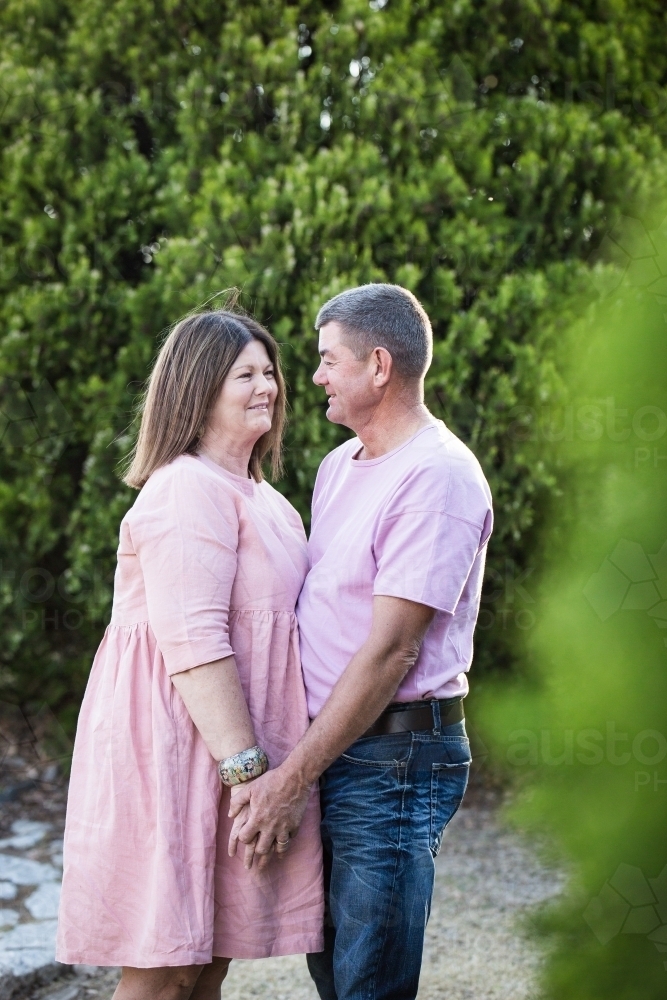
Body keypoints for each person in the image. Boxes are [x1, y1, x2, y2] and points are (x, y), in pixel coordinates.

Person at [229, 283, 493, 1000]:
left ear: (378, 365)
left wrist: (291, 779)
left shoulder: (437, 477)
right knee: (333, 967)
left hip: (394, 756)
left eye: (327, 360)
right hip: (336, 746)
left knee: (367, 981)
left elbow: (389, 653)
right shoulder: (337, 467)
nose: (311, 378)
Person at [56, 309, 323, 1000]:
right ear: (199, 389)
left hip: (232, 747)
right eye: (245, 375)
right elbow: (195, 641)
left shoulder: (267, 499)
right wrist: (249, 774)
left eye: (270, 372)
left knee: (209, 956)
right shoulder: (185, 489)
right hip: (175, 749)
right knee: (166, 963)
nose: (265, 386)